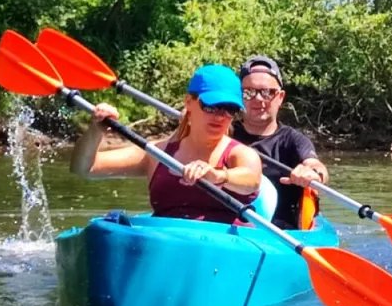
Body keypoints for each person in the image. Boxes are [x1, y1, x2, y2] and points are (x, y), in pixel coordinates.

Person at [70, 65, 262, 224]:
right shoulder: (157, 153)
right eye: (211, 106)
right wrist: (95, 130)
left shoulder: (241, 154)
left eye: (230, 110)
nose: (220, 116)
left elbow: (251, 181)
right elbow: (84, 168)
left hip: (225, 249)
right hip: (169, 243)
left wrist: (219, 175)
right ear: (189, 102)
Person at [230, 55, 330, 230]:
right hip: (231, 228)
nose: (258, 99)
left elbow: (317, 167)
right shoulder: (224, 133)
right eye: (249, 92)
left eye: (267, 92)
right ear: (240, 96)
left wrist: (312, 173)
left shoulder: (294, 140)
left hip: (283, 233)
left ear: (280, 97)